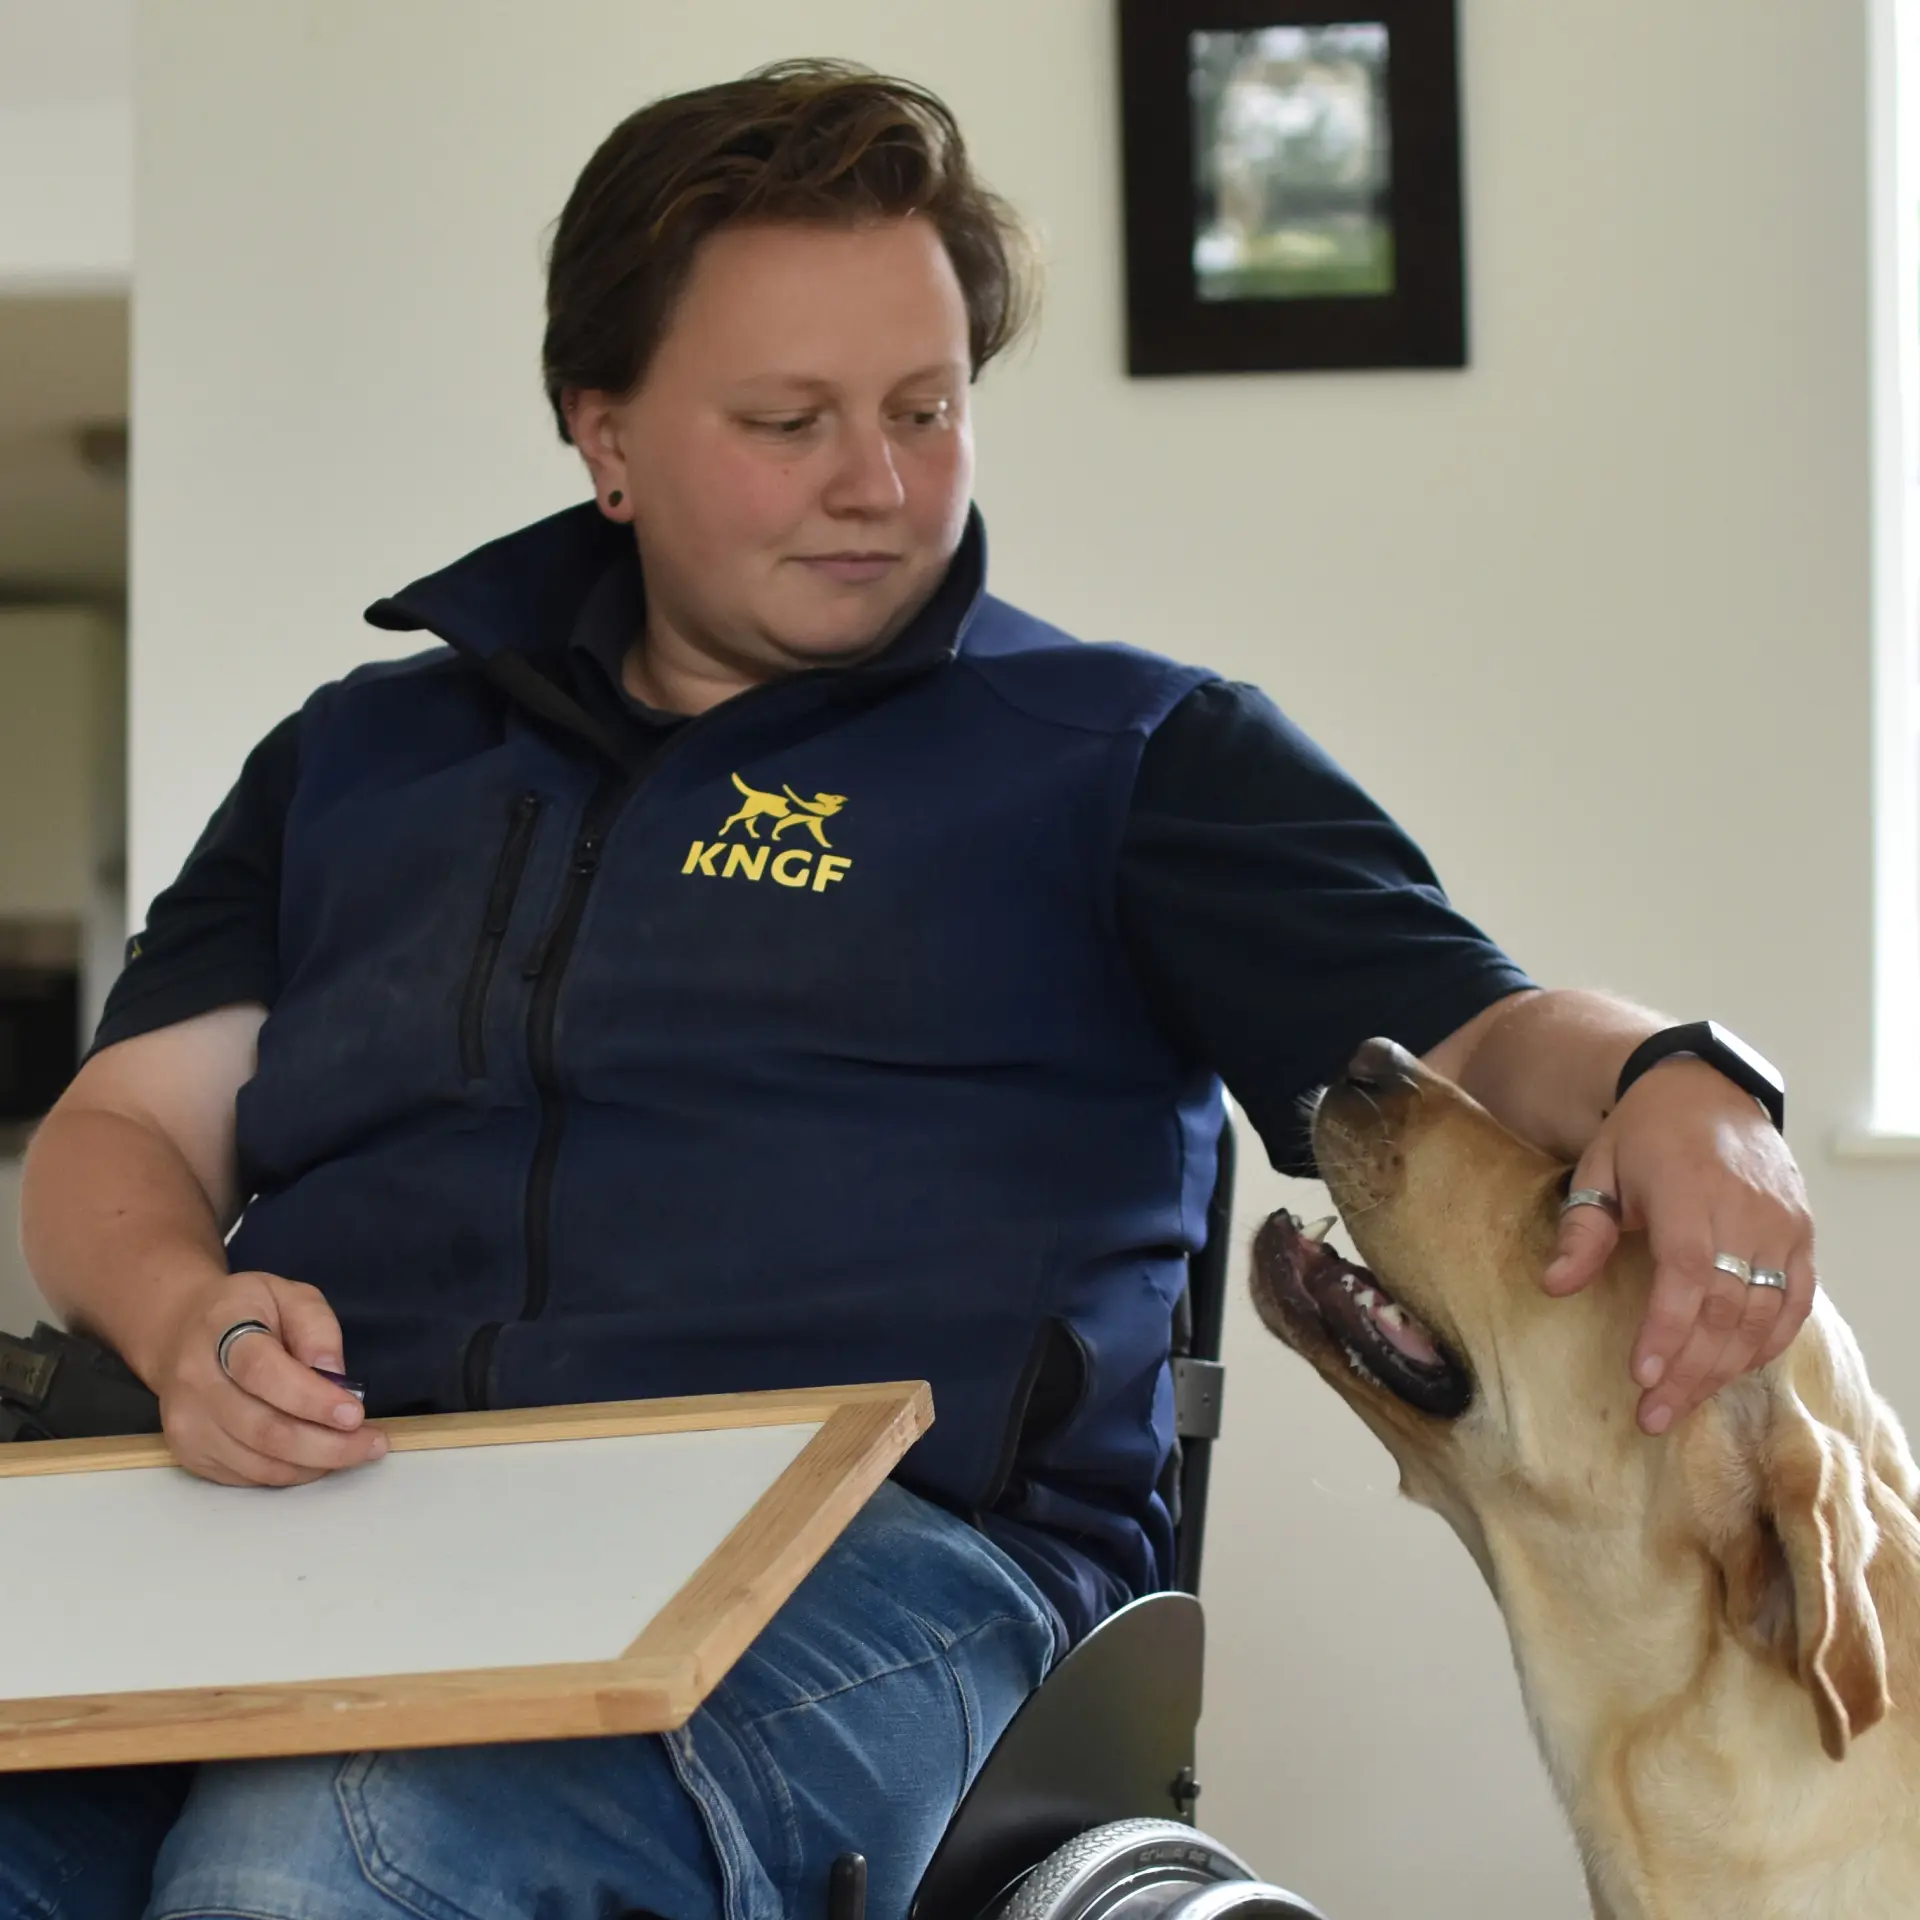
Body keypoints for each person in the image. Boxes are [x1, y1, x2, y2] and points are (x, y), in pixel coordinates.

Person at [7, 59, 1812, 1920]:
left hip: (885, 1575)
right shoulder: (360, 762)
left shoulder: (1127, 758)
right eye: (787, 421)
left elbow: (1482, 1035)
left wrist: (1680, 1079)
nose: (874, 485)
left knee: (332, 1855)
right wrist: (183, 1315)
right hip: (316, 1540)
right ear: (603, 433)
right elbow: (123, 1130)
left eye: (926, 410)